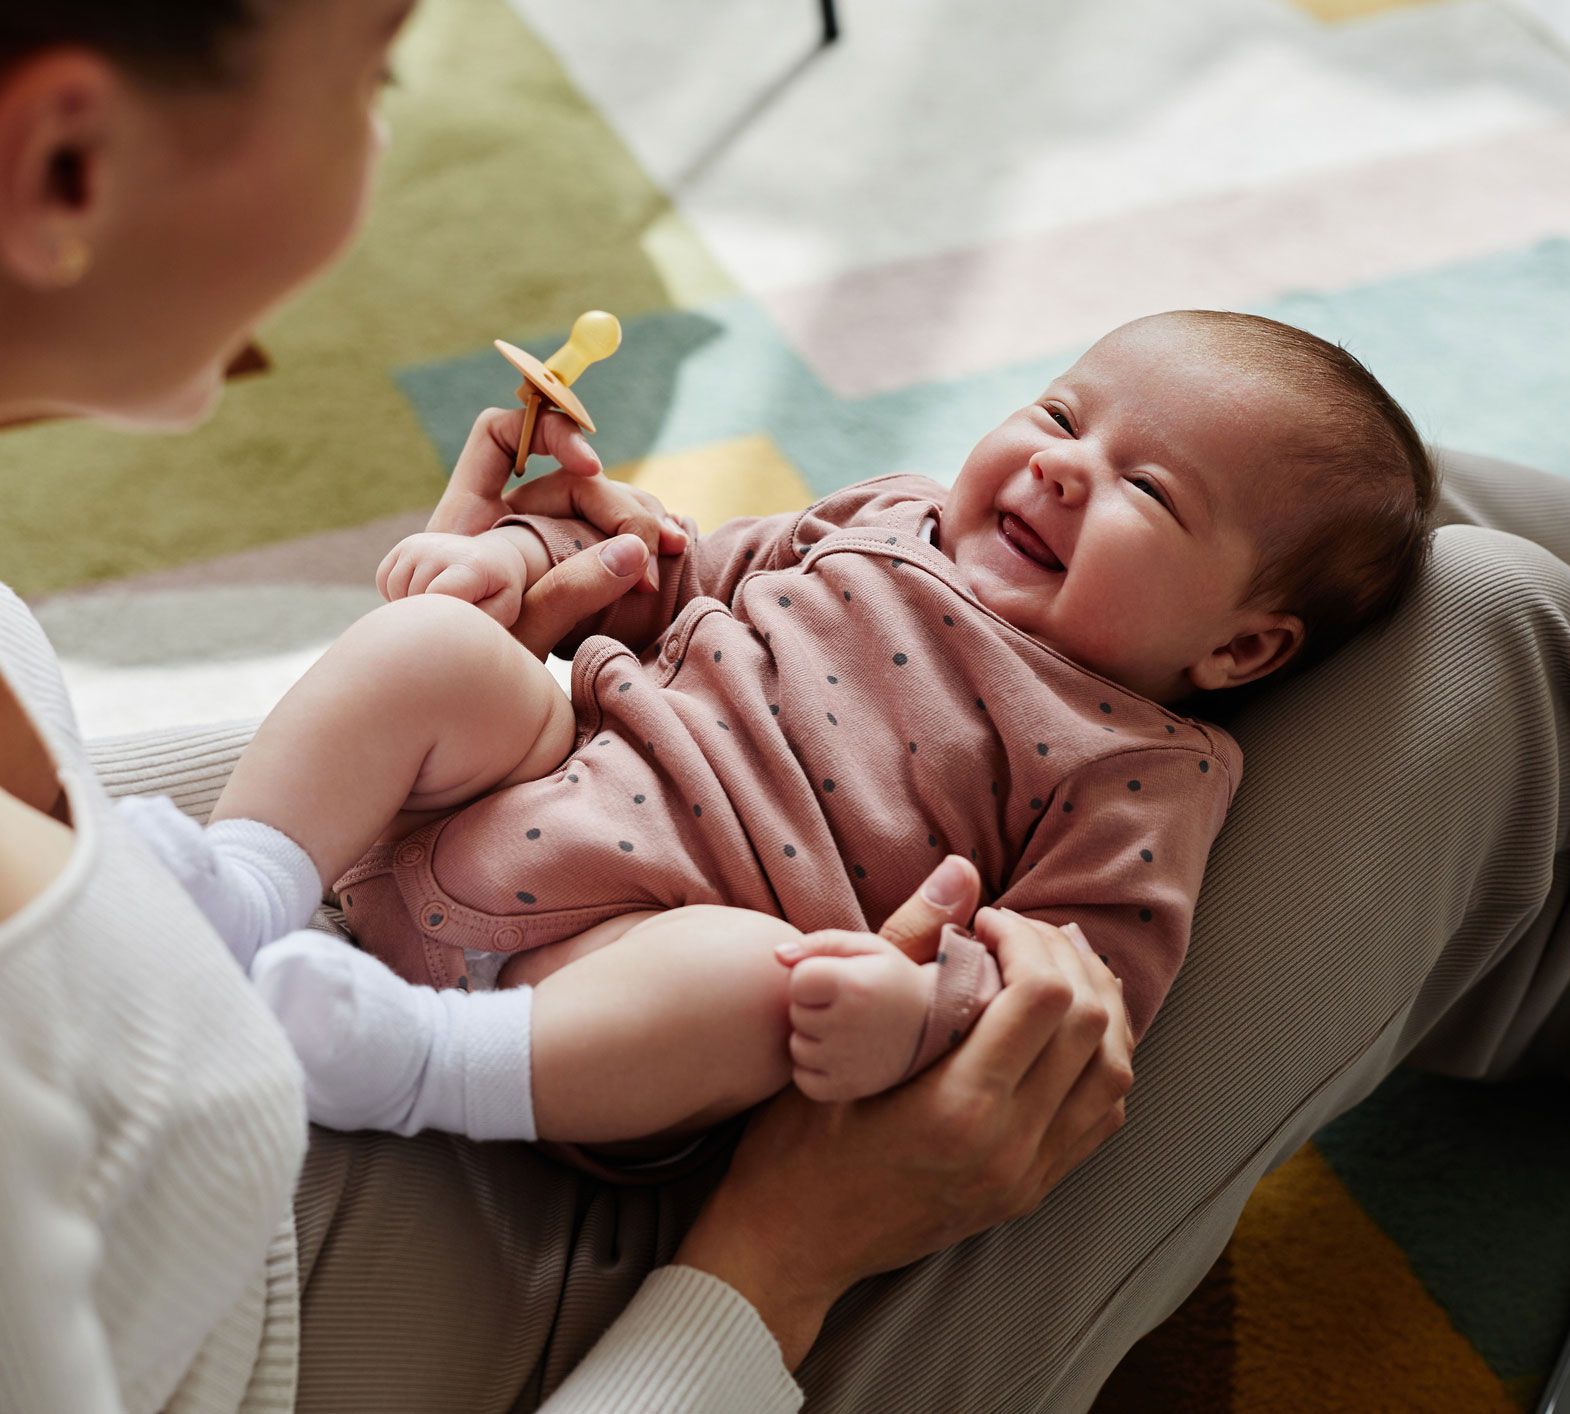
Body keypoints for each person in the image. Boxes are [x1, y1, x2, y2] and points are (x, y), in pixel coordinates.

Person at [0, 3, 1134, 1409]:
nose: (383, 135)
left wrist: (434, 680)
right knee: (1466, 620)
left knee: (1365, 531)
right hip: (393, 1245)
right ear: (64, 167)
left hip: (437, 877)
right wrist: (788, 1252)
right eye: (374, 75)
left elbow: (52, 839)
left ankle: (246, 880)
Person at [144, 310, 1434, 1176]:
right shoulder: (890, 515)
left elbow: (1081, 974)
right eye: (1058, 415)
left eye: (1149, 490)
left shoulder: (1144, 763)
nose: (1059, 469)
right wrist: (511, 554)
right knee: (435, 654)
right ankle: (245, 885)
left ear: (1241, 651)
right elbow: (657, 573)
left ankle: (420, 1065)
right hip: (553, 764)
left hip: (622, 968)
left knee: (754, 977)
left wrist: (912, 1013)